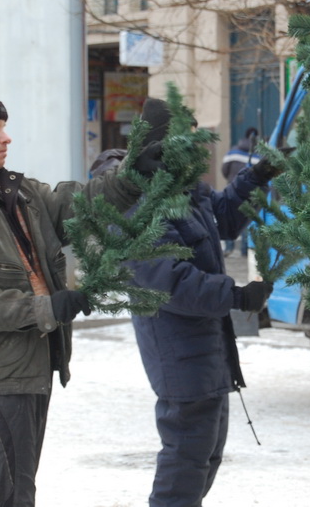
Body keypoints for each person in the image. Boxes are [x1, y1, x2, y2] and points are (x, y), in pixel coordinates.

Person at [0, 90, 162, 506]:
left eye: (4, 127)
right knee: (0, 495)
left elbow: (80, 206)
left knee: (10, 491)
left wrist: (130, 177)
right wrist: (47, 307)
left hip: (32, 366)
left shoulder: (19, 193)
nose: (5, 137)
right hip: (0, 374)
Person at [126, 98, 282, 507]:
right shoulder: (144, 204)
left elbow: (224, 217)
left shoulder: (188, 192)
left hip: (208, 348)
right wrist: (236, 295)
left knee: (205, 457)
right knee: (186, 460)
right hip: (178, 351)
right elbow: (170, 281)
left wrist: (257, 175)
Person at [220, 127, 260, 257]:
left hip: (232, 188)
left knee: (228, 217)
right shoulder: (258, 156)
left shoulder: (233, 152)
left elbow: (224, 169)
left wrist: (231, 180)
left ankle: (228, 248)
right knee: (245, 219)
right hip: (250, 192)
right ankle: (244, 249)